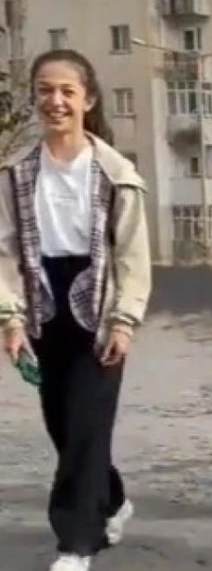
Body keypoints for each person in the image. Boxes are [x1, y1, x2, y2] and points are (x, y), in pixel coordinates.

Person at [0, 49, 151, 571]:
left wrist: (124, 320)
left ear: (88, 99)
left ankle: (76, 542)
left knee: (88, 422)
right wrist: (11, 319)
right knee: (63, 426)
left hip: (100, 308)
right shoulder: (17, 172)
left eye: (67, 91)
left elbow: (132, 254)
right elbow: (6, 250)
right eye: (46, 89)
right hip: (44, 306)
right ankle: (111, 499)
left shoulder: (115, 173)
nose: (56, 101)